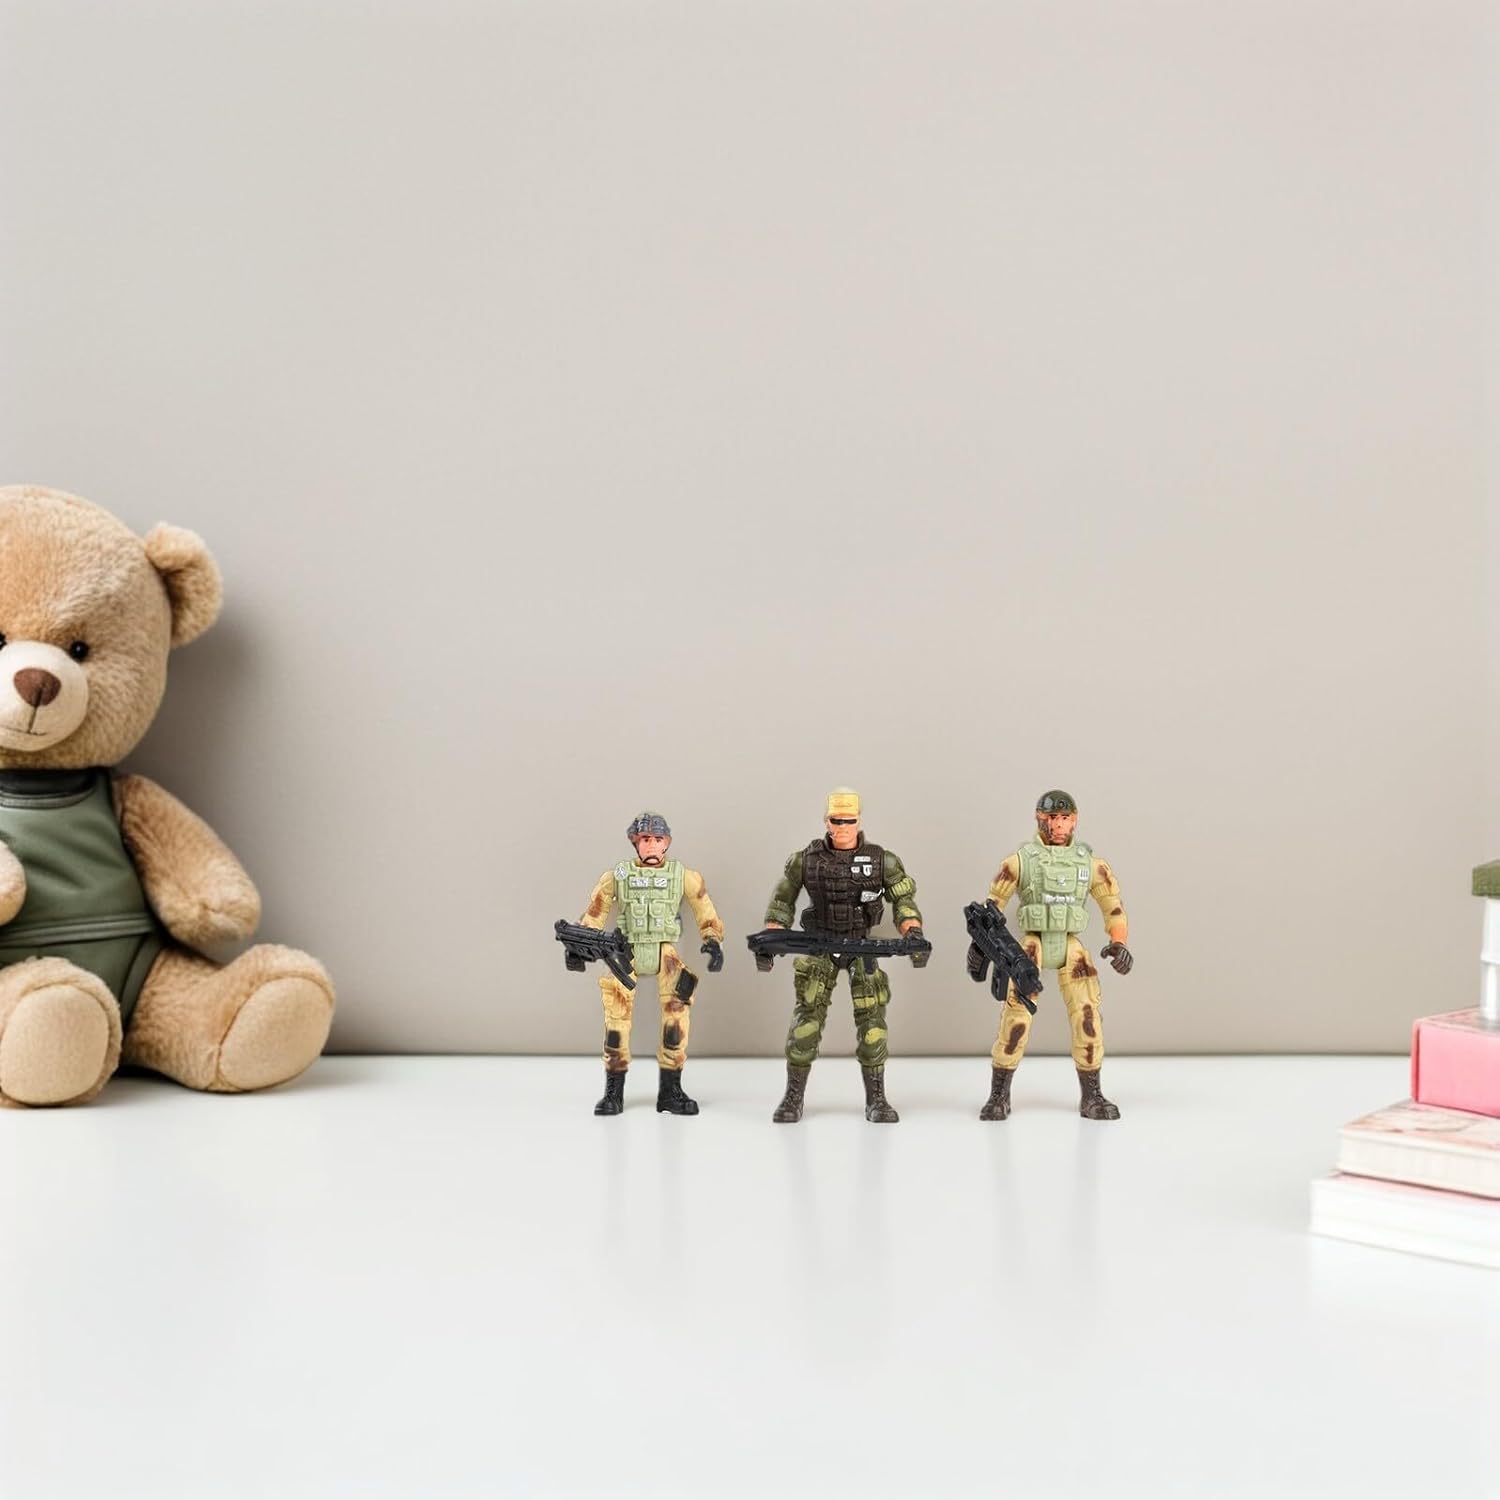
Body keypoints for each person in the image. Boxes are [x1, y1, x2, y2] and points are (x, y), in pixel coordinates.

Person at [759, 788, 925, 1124]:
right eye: (837, 820)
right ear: (827, 821)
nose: (844, 827)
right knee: (806, 1022)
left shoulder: (882, 860)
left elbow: (903, 899)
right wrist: (772, 936)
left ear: (859, 820)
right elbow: (782, 900)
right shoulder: (805, 860)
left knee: (872, 1024)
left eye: (849, 820)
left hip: (861, 945)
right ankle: (793, 1097)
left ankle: (877, 1099)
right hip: (820, 945)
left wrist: (913, 931)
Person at [975, 789, 1133, 1121]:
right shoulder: (1021, 861)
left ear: (1074, 821)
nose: (1058, 825)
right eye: (1052, 818)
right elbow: (991, 909)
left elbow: (1113, 907)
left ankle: (1092, 1095)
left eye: (1064, 818)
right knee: (1016, 1018)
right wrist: (982, 947)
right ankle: (998, 1094)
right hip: (1030, 947)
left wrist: (1118, 943)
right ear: (1039, 819)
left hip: (1070, 946)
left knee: (1087, 1016)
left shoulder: (1090, 864)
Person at [573, 812, 724, 1116]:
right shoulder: (618, 876)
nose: (652, 845)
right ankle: (613, 1092)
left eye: (657, 839)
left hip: (664, 953)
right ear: (635, 843)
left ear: (667, 843)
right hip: (624, 952)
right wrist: (581, 943)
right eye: (645, 839)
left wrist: (713, 939)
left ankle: (670, 1091)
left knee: (676, 1020)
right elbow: (595, 914)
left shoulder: (683, 876)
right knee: (616, 1024)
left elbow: (704, 907)